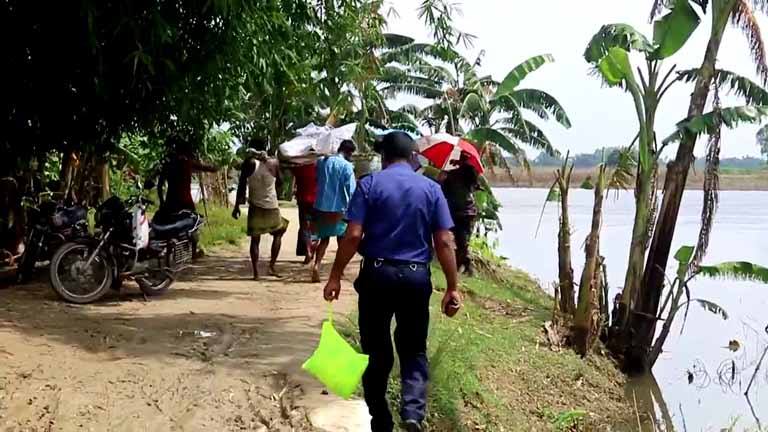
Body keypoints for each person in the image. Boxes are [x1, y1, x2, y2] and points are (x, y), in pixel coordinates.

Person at [323, 131, 462, 432]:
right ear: (413, 156)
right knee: (413, 349)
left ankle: (381, 420)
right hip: (415, 277)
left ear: (383, 157)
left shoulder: (369, 184)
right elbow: (445, 240)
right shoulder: (430, 189)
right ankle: (412, 413)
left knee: (376, 351)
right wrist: (452, 286)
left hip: (376, 276)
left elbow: (353, 235)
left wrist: (335, 276)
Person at [232, 138, 289, 280]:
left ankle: (256, 272)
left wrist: (237, 206)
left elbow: (241, 184)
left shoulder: (249, 163)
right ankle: (272, 266)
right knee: (278, 232)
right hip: (271, 206)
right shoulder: (273, 163)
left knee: (255, 239)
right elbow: (281, 182)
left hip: (255, 205)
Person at [311, 139, 356, 283]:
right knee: (342, 240)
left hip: (321, 206)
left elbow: (317, 179)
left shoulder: (322, 161)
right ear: (349, 152)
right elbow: (351, 188)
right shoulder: (346, 166)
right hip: (339, 208)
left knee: (324, 239)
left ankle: (316, 265)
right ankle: (339, 270)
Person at [155, 135, 217, 222]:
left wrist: (162, 203)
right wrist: (214, 168)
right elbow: (206, 168)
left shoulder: (168, 164)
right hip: (186, 203)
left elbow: (159, 186)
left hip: (171, 204)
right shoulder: (187, 163)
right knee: (192, 227)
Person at [440, 152, 480, 276]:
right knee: (462, 241)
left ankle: (463, 265)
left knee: (457, 240)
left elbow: (442, 189)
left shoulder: (452, 174)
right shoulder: (470, 174)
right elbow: (475, 185)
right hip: (466, 212)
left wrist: (443, 176)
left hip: (458, 212)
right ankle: (464, 264)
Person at [290, 162, 317, 265]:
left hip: (303, 200)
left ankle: (307, 251)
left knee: (304, 227)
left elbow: (293, 175)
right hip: (316, 200)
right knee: (314, 228)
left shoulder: (299, 167)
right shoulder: (318, 166)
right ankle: (312, 250)